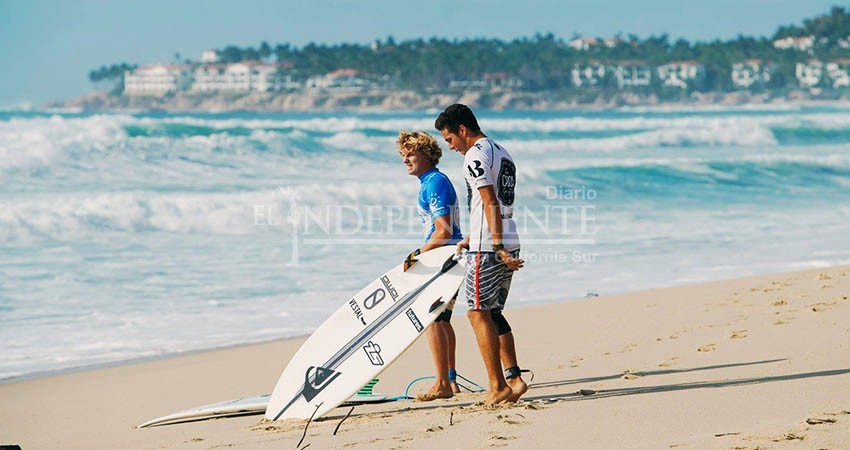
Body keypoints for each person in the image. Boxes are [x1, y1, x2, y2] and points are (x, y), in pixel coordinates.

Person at [434, 104, 527, 405]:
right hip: (506, 237)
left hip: (491, 247)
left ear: (463, 130)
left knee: (477, 312)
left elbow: (489, 202)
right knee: (493, 313)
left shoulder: (475, 155)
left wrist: (494, 246)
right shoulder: (502, 151)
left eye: (449, 139)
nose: (451, 147)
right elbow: (501, 202)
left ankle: (497, 386)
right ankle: (513, 379)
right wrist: (478, 237)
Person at [396, 130, 465, 401]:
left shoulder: (434, 183)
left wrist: (417, 254)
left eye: (410, 153)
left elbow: (443, 231)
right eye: (403, 155)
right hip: (448, 256)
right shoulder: (430, 182)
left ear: (426, 154)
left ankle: (442, 384)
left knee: (432, 318)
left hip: (444, 256)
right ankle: (449, 380)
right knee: (443, 319)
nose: (405, 159)